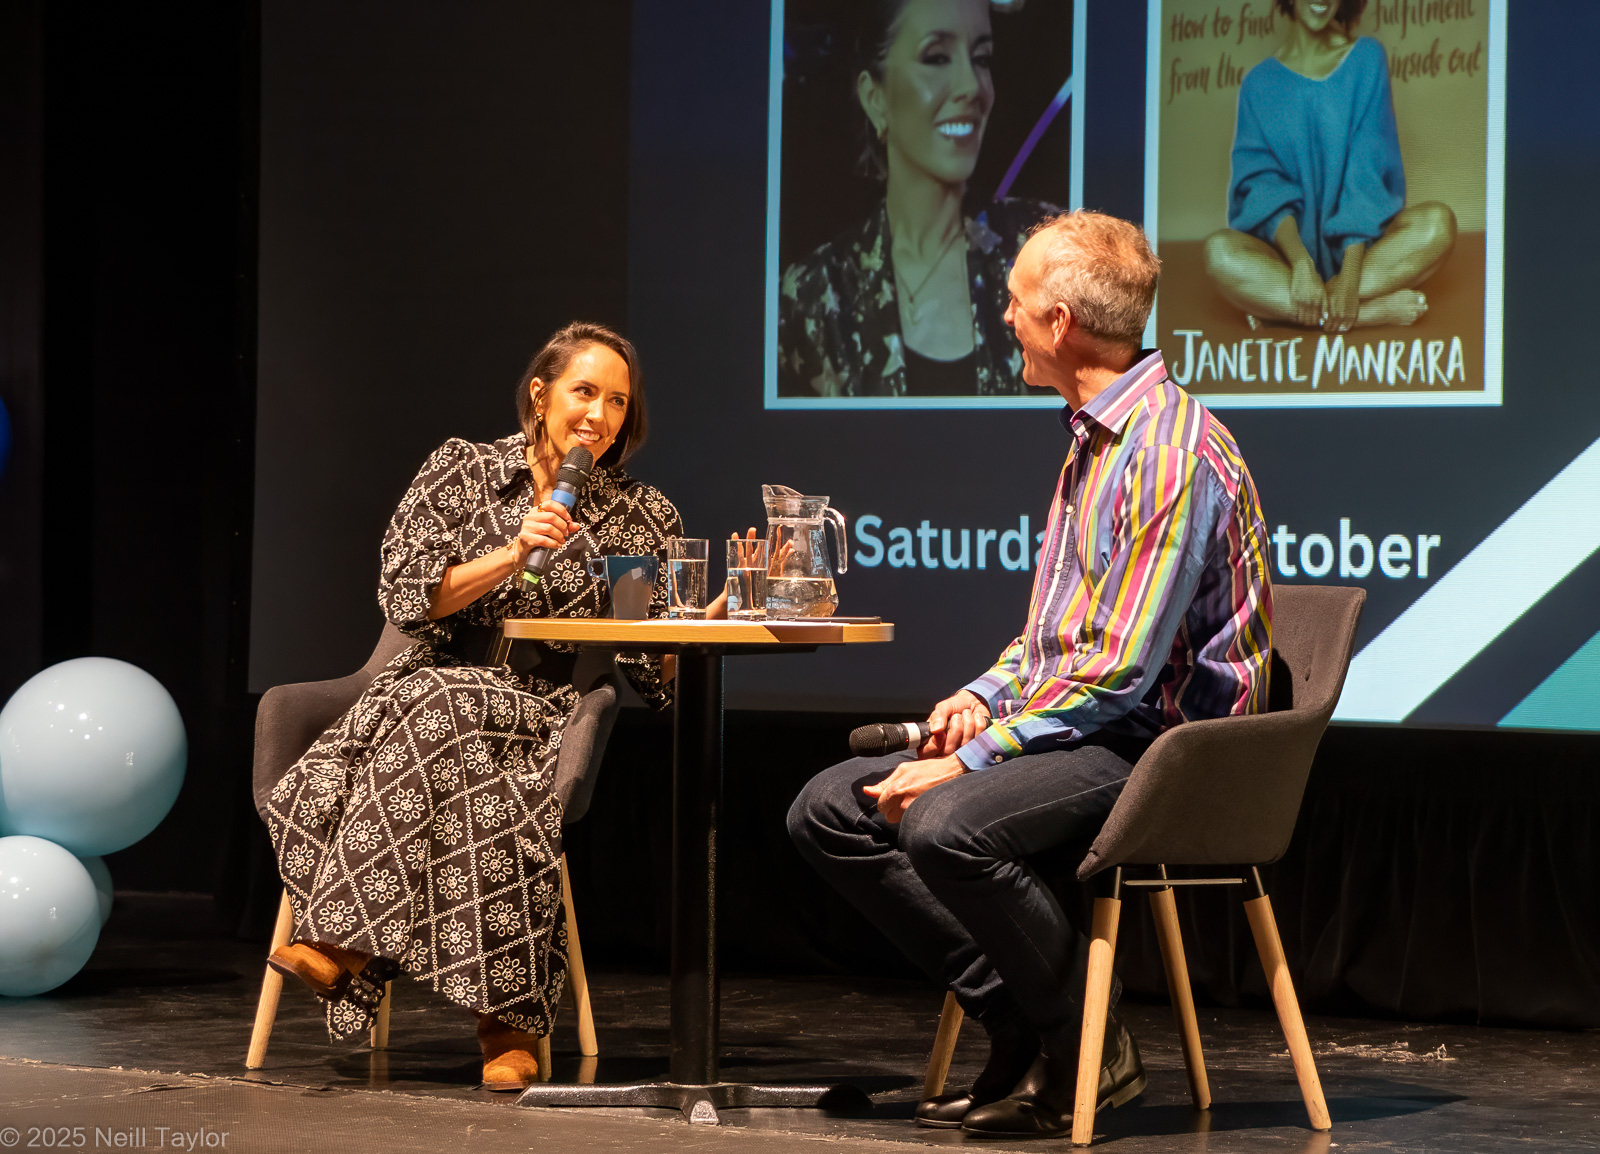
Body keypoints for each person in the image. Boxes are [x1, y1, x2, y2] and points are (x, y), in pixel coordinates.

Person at [788, 211, 1275, 1137]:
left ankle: (1089, 1045)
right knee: (830, 808)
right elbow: (1057, 640)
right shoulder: (1094, 438)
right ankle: (1018, 1016)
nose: (1001, 315)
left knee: (946, 823)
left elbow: (1119, 673)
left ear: (1061, 323)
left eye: (1015, 302)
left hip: (1171, 751)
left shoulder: (1166, 455)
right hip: (1095, 725)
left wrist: (972, 760)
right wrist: (979, 700)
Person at [262, 322, 695, 1091]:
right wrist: (512, 555)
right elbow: (406, 595)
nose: (600, 415)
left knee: (446, 709)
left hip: (547, 709)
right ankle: (509, 1024)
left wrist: (698, 626)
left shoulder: (641, 515)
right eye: (585, 392)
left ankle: (343, 945)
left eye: (618, 402)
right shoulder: (461, 470)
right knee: (455, 724)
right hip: (431, 685)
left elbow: (650, 672)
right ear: (541, 394)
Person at [778, 0, 1061, 398]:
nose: (972, 86)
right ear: (875, 97)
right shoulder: (811, 295)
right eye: (937, 57)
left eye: (981, 59)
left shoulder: (1046, 251)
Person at [1203, 0, 1456, 333]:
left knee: (1438, 224)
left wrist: (1349, 279)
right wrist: (1301, 263)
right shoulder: (1258, 84)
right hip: (1288, 265)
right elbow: (1264, 187)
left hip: (1364, 258)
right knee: (1218, 253)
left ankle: (1284, 308)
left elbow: (1364, 176)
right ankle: (1367, 314)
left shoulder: (1366, 58)